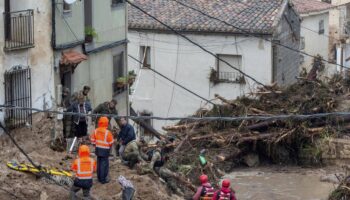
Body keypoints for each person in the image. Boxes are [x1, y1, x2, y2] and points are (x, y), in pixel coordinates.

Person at [90, 117, 114, 184]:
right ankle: (103, 180)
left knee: (99, 163)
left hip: (98, 149)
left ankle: (99, 178)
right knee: (104, 164)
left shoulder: (96, 130)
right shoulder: (107, 132)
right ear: (106, 123)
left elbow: (92, 140)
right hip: (105, 150)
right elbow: (111, 142)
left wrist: (95, 145)